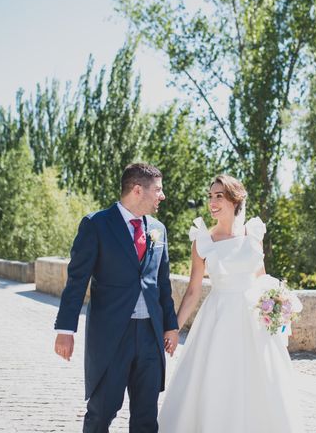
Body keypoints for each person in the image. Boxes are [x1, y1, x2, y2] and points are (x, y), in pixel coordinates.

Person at [158, 174, 303, 432]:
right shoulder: (202, 241)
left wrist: (280, 306)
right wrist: (174, 328)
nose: (212, 202)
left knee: (260, 383)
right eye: (210, 196)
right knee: (217, 379)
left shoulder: (253, 234)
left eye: (219, 196)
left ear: (235, 201)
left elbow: (261, 278)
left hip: (253, 323)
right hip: (218, 318)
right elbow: (193, 291)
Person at [53, 163, 179, 433]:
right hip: (112, 335)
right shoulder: (96, 224)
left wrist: (171, 325)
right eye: (157, 189)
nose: (162, 195)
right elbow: (77, 281)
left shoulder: (158, 229)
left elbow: (162, 284)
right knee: (102, 411)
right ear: (137, 190)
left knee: (146, 416)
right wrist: (65, 329)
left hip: (150, 335)